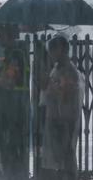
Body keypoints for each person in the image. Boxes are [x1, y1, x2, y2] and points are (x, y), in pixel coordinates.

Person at [40, 34, 83, 180]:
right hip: (55, 118)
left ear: (62, 50)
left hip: (65, 119)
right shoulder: (56, 68)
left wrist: (53, 88)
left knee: (66, 156)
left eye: (53, 49)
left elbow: (65, 94)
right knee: (59, 157)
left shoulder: (70, 71)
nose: (51, 53)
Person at [0, 24, 29, 180]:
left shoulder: (16, 55)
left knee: (12, 147)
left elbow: (10, 82)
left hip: (14, 108)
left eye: (2, 35)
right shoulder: (13, 54)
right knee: (10, 146)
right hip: (13, 108)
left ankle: (13, 175)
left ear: (9, 35)